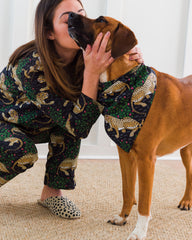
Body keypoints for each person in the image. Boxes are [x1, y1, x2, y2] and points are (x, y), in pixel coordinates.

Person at [0, 0, 143, 219]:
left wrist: (129, 59)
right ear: (49, 33)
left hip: (38, 120)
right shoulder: (29, 66)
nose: (79, 21)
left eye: (81, 14)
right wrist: (92, 74)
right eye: (68, 19)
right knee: (22, 152)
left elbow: (86, 118)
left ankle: (51, 193)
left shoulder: (86, 55)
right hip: (6, 121)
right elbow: (80, 125)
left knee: (70, 120)